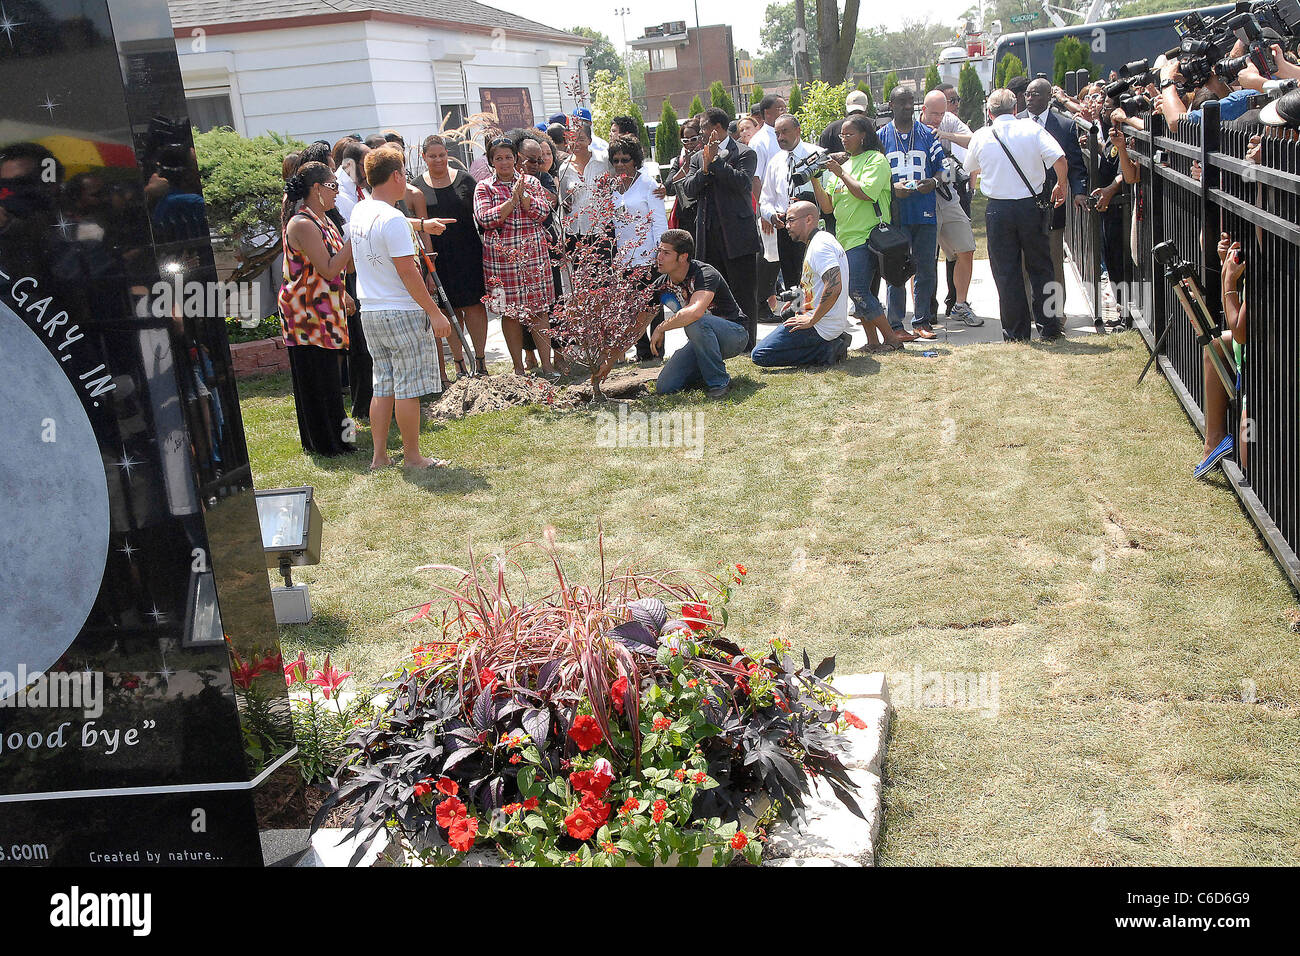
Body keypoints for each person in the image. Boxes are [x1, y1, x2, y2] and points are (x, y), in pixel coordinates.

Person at [347, 146, 452, 470]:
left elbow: (392, 220)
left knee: (384, 384)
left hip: (371, 312)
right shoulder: (391, 219)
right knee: (408, 388)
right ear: (396, 176)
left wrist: (422, 224)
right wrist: (434, 312)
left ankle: (379, 457)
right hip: (402, 312)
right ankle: (412, 457)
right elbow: (408, 272)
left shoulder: (361, 210)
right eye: (404, 173)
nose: (406, 179)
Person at [961, 89, 1069, 341]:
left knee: (1006, 271)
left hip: (999, 208)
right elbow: (1060, 159)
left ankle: (1015, 331)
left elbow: (970, 168)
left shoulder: (982, 135)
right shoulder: (1031, 129)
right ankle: (1049, 327)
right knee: (1042, 267)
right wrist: (1060, 184)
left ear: (989, 113)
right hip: (1031, 205)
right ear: (1014, 108)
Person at [278, 162, 356, 456]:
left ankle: (341, 440)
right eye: (332, 186)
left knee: (332, 380)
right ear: (316, 189)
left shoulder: (324, 220)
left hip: (326, 307)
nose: (337, 192)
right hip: (305, 313)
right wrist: (353, 238)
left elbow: (342, 268)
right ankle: (323, 443)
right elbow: (327, 268)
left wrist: (345, 293)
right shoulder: (302, 223)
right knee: (316, 379)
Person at [810, 115, 907, 352]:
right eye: (841, 135)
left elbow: (866, 193)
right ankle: (873, 342)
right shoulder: (845, 165)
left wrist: (840, 172)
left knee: (856, 289)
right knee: (859, 291)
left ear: (864, 136)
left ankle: (891, 339)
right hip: (845, 238)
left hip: (867, 237)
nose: (843, 139)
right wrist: (814, 179)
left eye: (849, 134)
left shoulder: (876, 160)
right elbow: (828, 207)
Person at [473, 137, 558, 377]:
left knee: (540, 310)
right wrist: (511, 202)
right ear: (491, 161)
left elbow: (544, 212)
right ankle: (519, 368)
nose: (504, 162)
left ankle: (547, 365)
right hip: (502, 259)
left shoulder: (530, 181)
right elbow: (486, 219)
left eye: (508, 157)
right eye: (498, 158)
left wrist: (524, 198)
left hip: (534, 254)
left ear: (516, 158)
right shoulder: (484, 187)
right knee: (510, 313)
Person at [679, 106, 762, 349]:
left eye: (702, 127)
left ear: (716, 128)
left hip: (738, 237)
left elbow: (742, 183)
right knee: (714, 294)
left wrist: (715, 161)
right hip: (708, 237)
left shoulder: (745, 153)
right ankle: (722, 344)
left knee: (744, 293)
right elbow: (689, 189)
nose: (700, 133)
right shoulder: (697, 157)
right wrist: (705, 165)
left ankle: (748, 345)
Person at [632, 229, 749, 398]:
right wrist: (607, 360)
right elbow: (638, 324)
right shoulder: (660, 286)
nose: (659, 257)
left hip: (734, 335)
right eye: (659, 251)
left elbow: (695, 312)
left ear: (683, 256)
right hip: (700, 340)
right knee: (665, 386)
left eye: (666, 253)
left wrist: (661, 327)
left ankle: (719, 383)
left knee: (696, 321)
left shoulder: (705, 273)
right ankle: (704, 368)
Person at [415, 134, 489, 374]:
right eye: (432, 156)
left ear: (448, 154)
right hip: (438, 257)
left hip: (468, 253)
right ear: (424, 157)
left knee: (475, 307)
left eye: (442, 155)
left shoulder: (466, 180)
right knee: (450, 310)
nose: (438, 160)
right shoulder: (417, 187)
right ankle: (459, 363)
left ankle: (479, 360)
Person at [877, 86, 946, 340]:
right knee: (896, 269)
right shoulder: (881, 137)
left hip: (925, 212)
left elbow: (942, 169)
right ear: (891, 105)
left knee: (925, 267)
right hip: (896, 215)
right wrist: (891, 188)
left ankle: (922, 321)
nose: (908, 106)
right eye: (902, 102)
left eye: (911, 102)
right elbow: (874, 176)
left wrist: (934, 182)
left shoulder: (928, 134)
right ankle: (895, 325)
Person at [750, 201, 852, 368]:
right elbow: (813, 285)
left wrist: (812, 320)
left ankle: (829, 348)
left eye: (791, 220)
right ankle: (835, 340)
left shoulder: (820, 246)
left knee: (760, 354)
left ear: (809, 219)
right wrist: (796, 304)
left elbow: (834, 286)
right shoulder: (820, 240)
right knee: (787, 317)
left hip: (821, 325)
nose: (786, 226)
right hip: (826, 322)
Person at [1020, 78, 1089, 313]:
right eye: (1027, 94)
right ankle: (1029, 311)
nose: (1029, 98)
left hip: (1052, 204)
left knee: (1052, 260)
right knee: (1023, 260)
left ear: (1049, 96)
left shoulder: (1065, 125)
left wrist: (1079, 192)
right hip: (1022, 203)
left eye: (1036, 94)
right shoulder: (1016, 124)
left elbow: (1076, 164)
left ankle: (1055, 313)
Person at [920, 91, 981, 327]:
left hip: (949, 195)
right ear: (923, 110)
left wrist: (944, 134)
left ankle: (960, 305)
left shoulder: (948, 122)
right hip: (923, 199)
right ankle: (924, 310)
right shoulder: (913, 128)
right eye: (933, 113)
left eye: (941, 113)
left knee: (966, 248)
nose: (937, 118)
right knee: (925, 258)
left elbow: (972, 140)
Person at [608, 135, 669, 361]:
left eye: (625, 159)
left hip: (648, 255)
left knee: (653, 307)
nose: (620, 164)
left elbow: (659, 222)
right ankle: (642, 351)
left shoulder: (648, 184)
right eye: (616, 160)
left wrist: (659, 254)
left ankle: (657, 352)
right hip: (624, 257)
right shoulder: (613, 187)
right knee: (631, 307)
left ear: (635, 160)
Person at [758, 114, 822, 302]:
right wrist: (771, 215)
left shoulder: (816, 155)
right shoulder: (775, 161)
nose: (780, 138)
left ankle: (819, 315)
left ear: (798, 130)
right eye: (777, 134)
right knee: (792, 277)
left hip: (812, 227)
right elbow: (766, 198)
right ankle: (798, 316)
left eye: (784, 132)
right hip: (785, 227)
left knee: (814, 274)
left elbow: (827, 194)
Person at [667, 118, 702, 237]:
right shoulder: (680, 160)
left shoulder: (708, 157)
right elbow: (669, 189)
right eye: (685, 140)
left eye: (694, 139)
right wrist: (685, 169)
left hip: (705, 212)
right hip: (685, 215)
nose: (690, 143)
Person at [820, 90, 869, 155]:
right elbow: (821, 158)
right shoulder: (830, 131)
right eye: (851, 113)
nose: (855, 116)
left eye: (859, 112)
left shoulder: (873, 128)